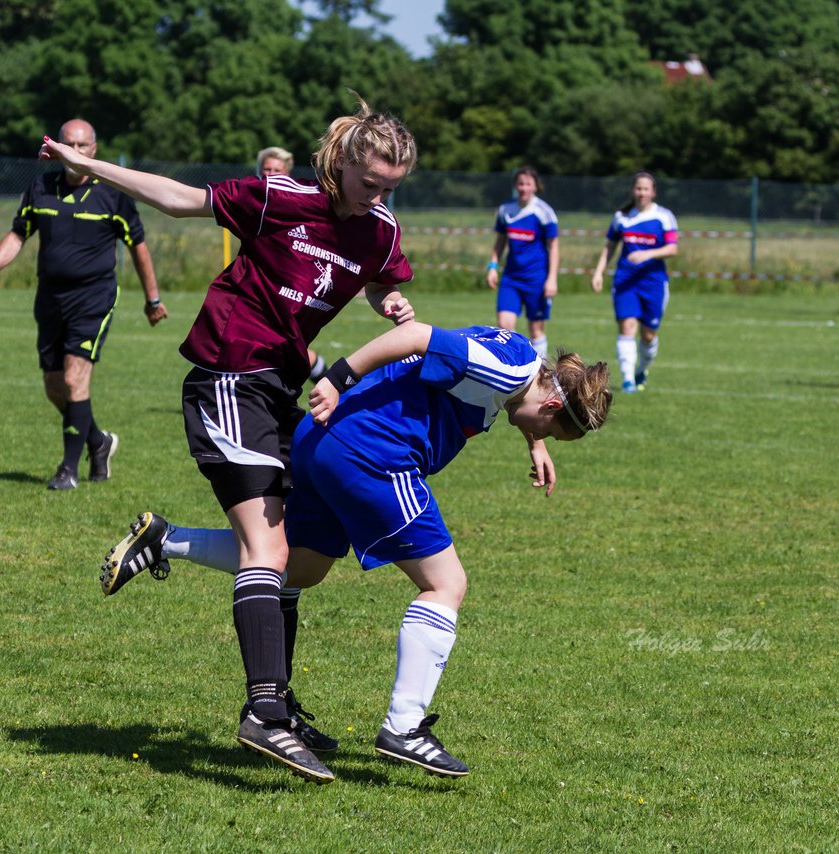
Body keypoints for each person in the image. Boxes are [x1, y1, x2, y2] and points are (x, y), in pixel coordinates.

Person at [40, 96, 418, 785]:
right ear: (343, 163)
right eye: (371, 184)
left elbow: (378, 281)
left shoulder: (381, 230)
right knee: (267, 548)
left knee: (301, 556)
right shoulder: (279, 196)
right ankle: (264, 713)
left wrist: (387, 301)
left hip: (283, 389)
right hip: (227, 373)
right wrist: (89, 165)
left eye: (392, 188)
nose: (379, 198)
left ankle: (277, 697)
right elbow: (182, 199)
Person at [99, 321, 613, 779]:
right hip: (372, 454)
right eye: (546, 430)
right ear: (550, 404)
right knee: (446, 583)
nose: (535, 433)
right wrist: (338, 376)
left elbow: (510, 394)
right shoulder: (503, 370)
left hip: (322, 442)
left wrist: (536, 442)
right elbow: (415, 337)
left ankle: (166, 541)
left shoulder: (520, 359)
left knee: (299, 565)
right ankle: (404, 728)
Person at [0, 118, 166, 490]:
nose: (75, 153)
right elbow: (18, 233)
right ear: (57, 147)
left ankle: (68, 470)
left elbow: (137, 246)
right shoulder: (42, 186)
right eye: (69, 145)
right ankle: (98, 441)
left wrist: (152, 298)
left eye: (82, 146)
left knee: (76, 378)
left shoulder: (112, 192)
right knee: (54, 386)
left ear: (94, 150)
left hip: (93, 298)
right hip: (49, 297)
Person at [590, 171, 678, 394]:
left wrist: (647, 255)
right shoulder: (622, 216)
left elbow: (672, 248)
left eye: (646, 189)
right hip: (625, 281)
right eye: (638, 188)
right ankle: (628, 379)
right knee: (627, 327)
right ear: (633, 190)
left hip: (654, 282)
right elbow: (609, 246)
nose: (642, 193)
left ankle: (642, 369)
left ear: (653, 192)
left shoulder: (664, 216)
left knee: (648, 335)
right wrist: (599, 272)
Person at [255, 145, 329, 382]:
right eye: (266, 169)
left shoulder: (296, 205)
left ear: (287, 174)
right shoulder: (254, 200)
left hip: (288, 287)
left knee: (284, 347)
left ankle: (325, 377)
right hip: (259, 285)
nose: (270, 174)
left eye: (277, 170)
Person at [485, 166, 560, 361]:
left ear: (535, 186)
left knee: (536, 329)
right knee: (504, 325)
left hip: (537, 278)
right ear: (515, 186)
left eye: (528, 184)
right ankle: (513, 368)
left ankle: (540, 370)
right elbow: (500, 241)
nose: (524, 188)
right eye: (520, 183)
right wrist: (493, 266)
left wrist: (552, 279)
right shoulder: (505, 210)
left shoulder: (544, 212)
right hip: (511, 278)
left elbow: (554, 247)